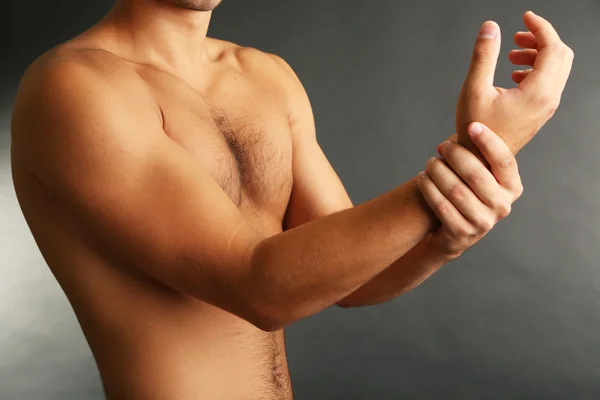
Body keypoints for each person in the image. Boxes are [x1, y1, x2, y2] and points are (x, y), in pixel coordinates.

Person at [10, 0, 573, 398]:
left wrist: (448, 232)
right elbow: (257, 286)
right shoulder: (74, 88)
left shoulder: (265, 76)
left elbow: (352, 279)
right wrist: (469, 159)